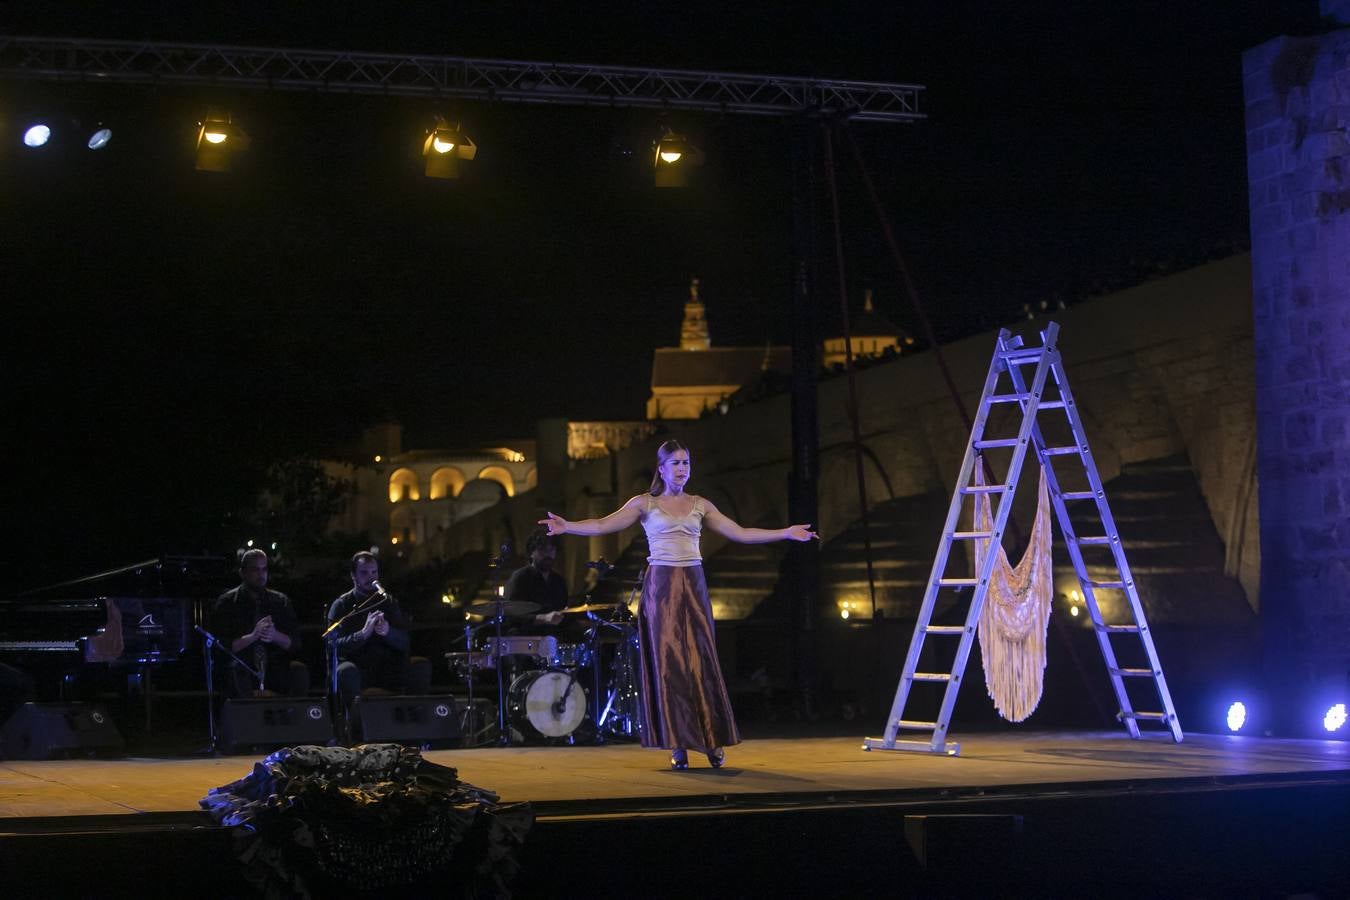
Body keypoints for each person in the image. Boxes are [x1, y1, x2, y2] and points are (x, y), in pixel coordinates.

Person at [540, 439, 817, 769]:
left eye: (686, 462)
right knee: (670, 666)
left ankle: (711, 741)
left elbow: (740, 533)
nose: (683, 468)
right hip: (661, 588)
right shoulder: (645, 503)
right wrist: (567, 526)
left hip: (694, 585)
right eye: (676, 463)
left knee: (701, 662)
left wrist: (786, 532)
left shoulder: (701, 504)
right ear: (661, 468)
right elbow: (602, 524)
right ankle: (678, 744)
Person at [326, 552, 431, 731]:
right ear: (354, 575)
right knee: (346, 672)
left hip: (387, 668)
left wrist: (388, 632)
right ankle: (356, 731)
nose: (371, 577)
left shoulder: (388, 602)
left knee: (420, 666)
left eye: (374, 572)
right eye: (365, 573)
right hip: (357, 668)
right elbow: (333, 645)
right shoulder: (342, 605)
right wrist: (363, 634)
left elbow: (405, 641)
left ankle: (415, 729)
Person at [210, 549, 308, 697]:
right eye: (255, 569)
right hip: (242, 666)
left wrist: (275, 636)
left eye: (264, 569)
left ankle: (293, 718)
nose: (261, 575)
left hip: (273, 669)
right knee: (234, 671)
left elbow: (295, 643)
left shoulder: (280, 601)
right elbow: (220, 647)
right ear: (243, 573)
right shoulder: (227, 603)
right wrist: (253, 636)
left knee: (298, 671)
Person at [503, 529, 568, 631]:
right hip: (525, 639)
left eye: (551, 549)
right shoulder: (520, 578)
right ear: (531, 553)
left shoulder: (558, 581)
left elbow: (564, 611)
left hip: (554, 638)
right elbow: (512, 615)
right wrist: (543, 618)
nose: (548, 554)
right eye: (542, 549)